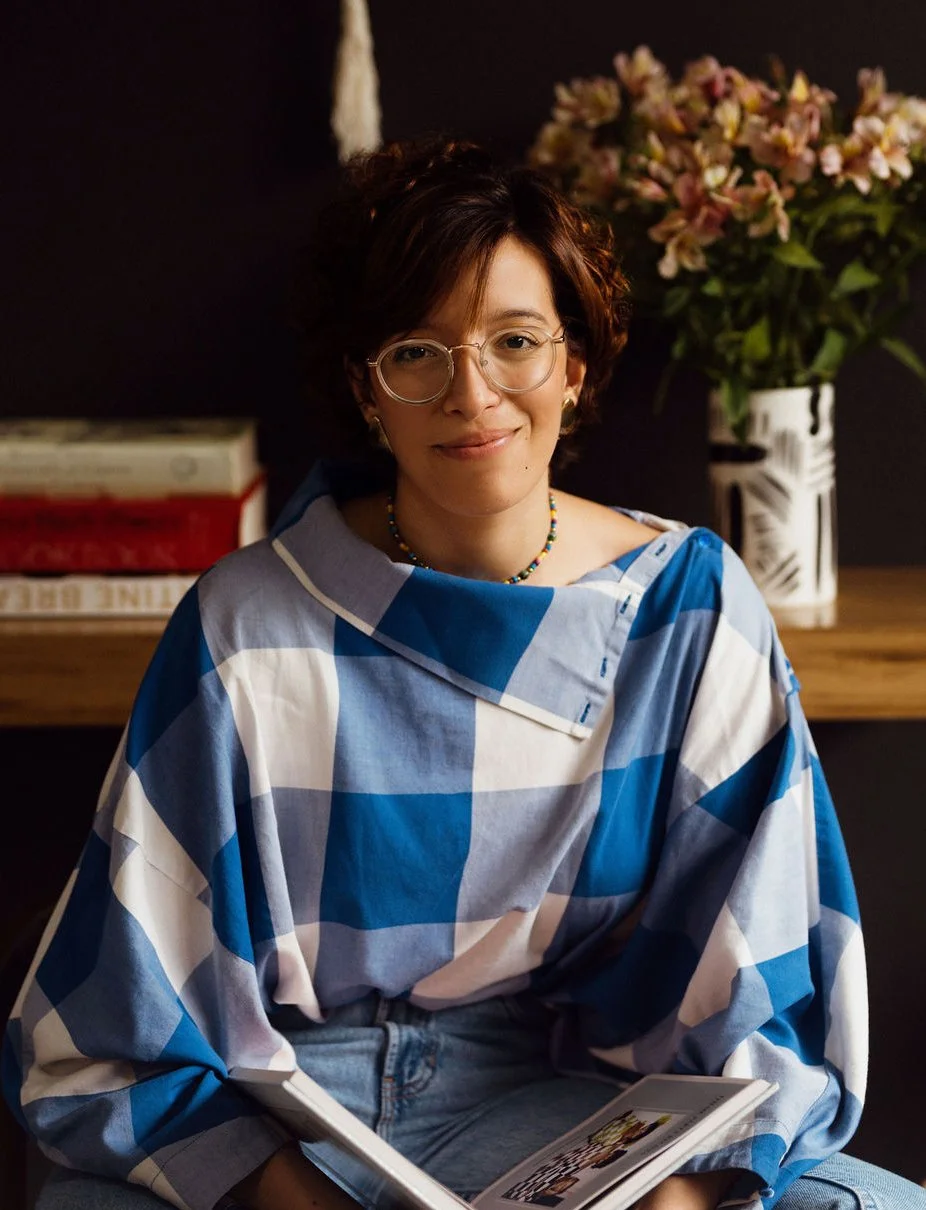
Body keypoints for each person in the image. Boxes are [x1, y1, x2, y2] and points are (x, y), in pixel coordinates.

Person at [3, 138, 924, 1210]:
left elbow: (770, 998)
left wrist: (670, 1202)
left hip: (556, 1093)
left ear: (574, 365)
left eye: (515, 341)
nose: (471, 392)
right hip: (276, 1106)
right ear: (367, 387)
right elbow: (117, 1026)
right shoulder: (244, 621)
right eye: (416, 353)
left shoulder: (691, 606)